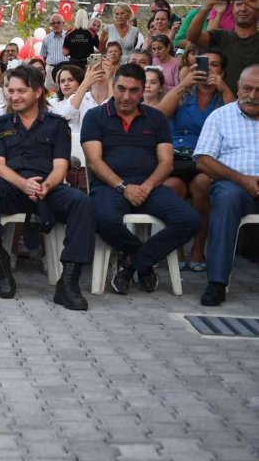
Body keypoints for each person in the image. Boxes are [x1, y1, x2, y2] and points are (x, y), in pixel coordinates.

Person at [0, 65, 94, 309]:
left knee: (82, 203)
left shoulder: (56, 124)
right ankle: (0, 266)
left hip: (47, 188)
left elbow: (61, 165)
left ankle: (68, 281)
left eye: (21, 91)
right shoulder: (0, 125)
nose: (14, 97)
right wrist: (23, 183)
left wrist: (46, 185)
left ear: (38, 92)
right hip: (11, 187)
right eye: (10, 91)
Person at [80, 63, 201, 296]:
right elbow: (94, 161)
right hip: (109, 186)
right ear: (113, 86)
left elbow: (166, 162)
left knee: (190, 219)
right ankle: (142, 258)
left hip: (150, 186)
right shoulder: (95, 117)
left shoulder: (155, 118)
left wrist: (145, 187)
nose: (126, 96)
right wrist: (123, 187)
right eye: (121, 88)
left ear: (143, 90)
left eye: (134, 90)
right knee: (102, 218)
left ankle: (132, 266)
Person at [155, 51, 234, 271]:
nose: (208, 69)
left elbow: (237, 122)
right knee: (172, 188)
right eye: (203, 65)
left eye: (214, 65)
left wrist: (224, 88)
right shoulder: (183, 95)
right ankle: (176, 247)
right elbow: (158, 117)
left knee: (202, 185)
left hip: (207, 161)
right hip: (178, 159)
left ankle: (199, 247)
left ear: (222, 72)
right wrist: (183, 84)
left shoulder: (224, 99)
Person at [193, 64, 259, 306]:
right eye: (247, 88)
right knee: (226, 199)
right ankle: (217, 283)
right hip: (234, 184)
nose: (252, 95)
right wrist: (242, 179)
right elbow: (203, 160)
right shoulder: (221, 116)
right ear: (238, 87)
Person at [185, 0, 259, 94]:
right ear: (232, 8)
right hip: (224, 107)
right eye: (238, 4)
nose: (243, 9)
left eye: (249, 5)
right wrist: (205, 8)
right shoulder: (220, 36)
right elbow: (192, 36)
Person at [49, 64, 86, 132]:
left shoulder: (88, 99)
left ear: (80, 81)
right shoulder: (52, 103)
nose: (66, 84)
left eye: (71, 80)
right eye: (62, 81)